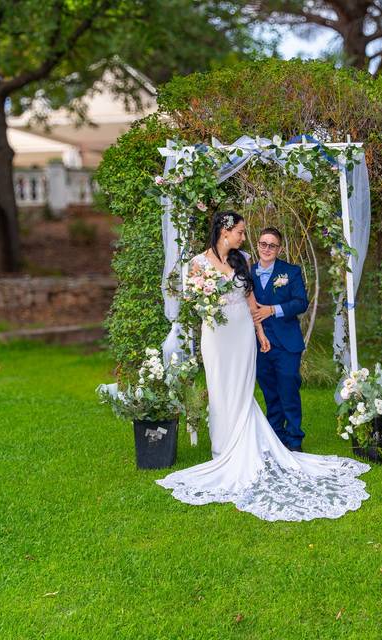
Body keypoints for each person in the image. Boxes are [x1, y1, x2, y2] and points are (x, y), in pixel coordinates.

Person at [156, 211, 370, 522]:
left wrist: (259, 333)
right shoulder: (196, 263)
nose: (245, 239)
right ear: (224, 231)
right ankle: (223, 447)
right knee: (220, 389)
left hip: (243, 333)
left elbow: (251, 301)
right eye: (241, 232)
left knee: (243, 391)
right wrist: (207, 303)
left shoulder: (242, 259)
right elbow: (192, 301)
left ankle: (259, 443)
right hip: (216, 337)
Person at [249, 227, 308, 451]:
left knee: (288, 391)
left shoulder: (290, 272)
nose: (267, 249)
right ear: (257, 245)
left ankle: (294, 440)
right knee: (270, 392)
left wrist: (273, 309)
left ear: (279, 248)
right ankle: (275, 437)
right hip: (258, 344)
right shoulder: (248, 272)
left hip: (286, 344)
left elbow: (301, 303)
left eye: (272, 245)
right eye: (263, 244)